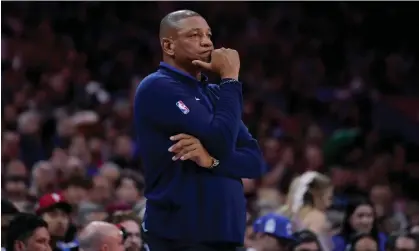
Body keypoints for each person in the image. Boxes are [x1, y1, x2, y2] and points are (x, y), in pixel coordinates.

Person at [134, 9, 265, 250]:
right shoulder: (158, 86)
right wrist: (230, 78)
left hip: (225, 233)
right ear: (169, 45)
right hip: (180, 233)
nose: (207, 41)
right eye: (194, 35)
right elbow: (222, 142)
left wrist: (211, 162)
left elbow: (255, 161)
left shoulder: (216, 94)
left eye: (208, 34)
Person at [278, 171, 333, 250]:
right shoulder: (317, 217)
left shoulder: (284, 213)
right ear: (316, 195)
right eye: (329, 198)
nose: (330, 204)